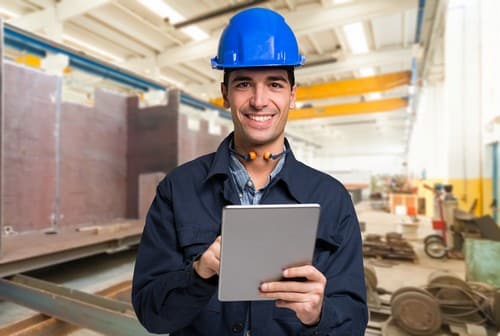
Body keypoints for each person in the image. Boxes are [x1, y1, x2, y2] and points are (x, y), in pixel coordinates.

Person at [132, 7, 368, 336]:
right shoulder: (178, 189)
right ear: (225, 94)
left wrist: (318, 313)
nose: (259, 100)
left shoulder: (331, 199)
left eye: (274, 84)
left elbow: (353, 322)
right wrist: (198, 274)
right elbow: (151, 315)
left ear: (292, 96)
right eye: (244, 84)